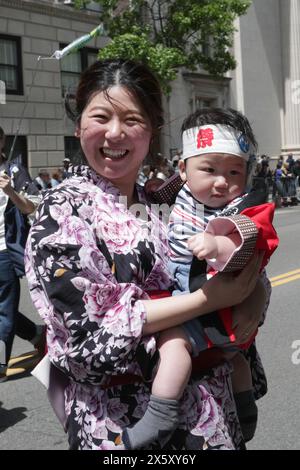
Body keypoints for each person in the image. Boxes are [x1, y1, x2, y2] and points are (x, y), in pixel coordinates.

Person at [25, 59, 267, 450]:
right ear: (78, 124)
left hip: (210, 416)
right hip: (127, 425)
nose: (115, 133)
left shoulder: (169, 202)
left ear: (152, 131)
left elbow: (236, 269)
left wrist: (252, 292)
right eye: (101, 116)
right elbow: (87, 339)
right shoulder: (62, 212)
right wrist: (208, 299)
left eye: (133, 120)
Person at [121, 108, 278, 449]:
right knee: (233, 359)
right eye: (209, 170)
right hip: (195, 303)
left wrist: (218, 244)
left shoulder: (243, 206)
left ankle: (160, 413)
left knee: (174, 345)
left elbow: (250, 236)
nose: (222, 182)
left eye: (234, 171)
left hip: (211, 310)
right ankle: (246, 407)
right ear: (183, 170)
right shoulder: (174, 197)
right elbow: (153, 196)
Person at [0, 126, 45, 382]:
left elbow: (33, 208)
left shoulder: (14, 171)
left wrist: (10, 192)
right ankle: (37, 335)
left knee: (4, 310)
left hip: (4, 251)